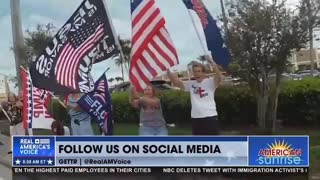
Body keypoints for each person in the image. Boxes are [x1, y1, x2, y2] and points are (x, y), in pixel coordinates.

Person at [167, 56, 222, 135]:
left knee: (213, 144)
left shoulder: (210, 82)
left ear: (203, 73)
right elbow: (176, 82)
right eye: (195, 71)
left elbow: (219, 77)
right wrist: (168, 70)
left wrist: (212, 63)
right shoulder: (191, 84)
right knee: (198, 144)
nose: (196, 73)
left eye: (199, 71)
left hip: (210, 117)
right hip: (196, 118)